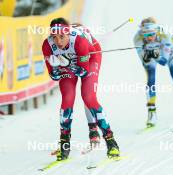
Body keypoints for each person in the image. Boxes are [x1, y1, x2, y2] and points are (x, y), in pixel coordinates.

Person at [42, 17, 119, 160]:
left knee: (88, 97)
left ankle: (110, 141)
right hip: (70, 63)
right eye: (54, 37)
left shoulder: (79, 41)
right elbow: (54, 77)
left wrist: (64, 62)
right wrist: (55, 69)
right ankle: (65, 145)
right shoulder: (47, 45)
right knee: (67, 99)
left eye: (62, 37)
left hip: (91, 58)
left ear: (68, 33)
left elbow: (82, 71)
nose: (58, 41)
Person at [133, 17, 173, 128]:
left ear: (157, 31)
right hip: (154, 55)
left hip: (169, 54)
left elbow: (163, 61)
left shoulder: (165, 36)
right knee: (151, 79)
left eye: (152, 34)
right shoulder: (137, 38)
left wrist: (155, 54)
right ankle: (152, 114)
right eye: (145, 35)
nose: (149, 38)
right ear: (141, 33)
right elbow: (145, 60)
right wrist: (148, 55)